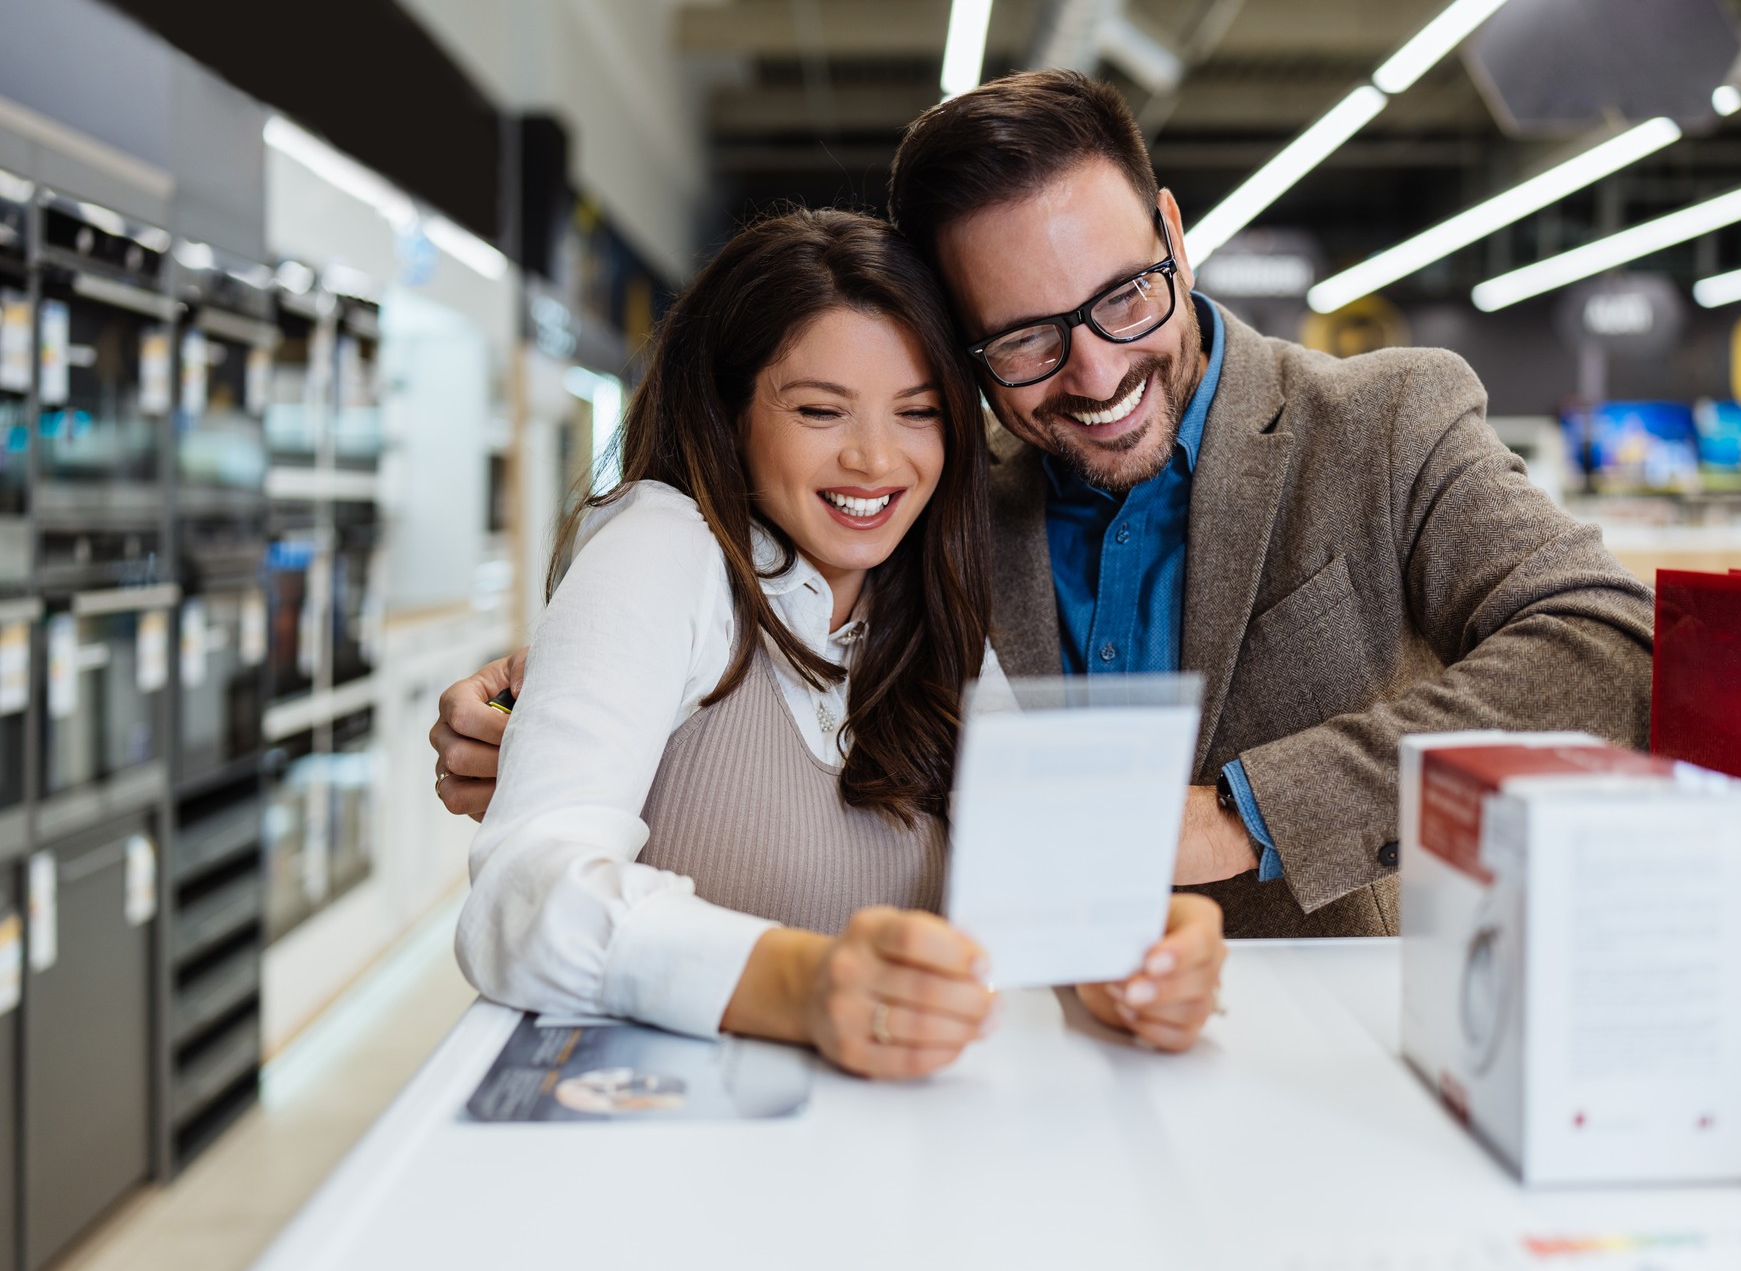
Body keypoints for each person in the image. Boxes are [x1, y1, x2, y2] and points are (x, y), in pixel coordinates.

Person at [436, 72, 1653, 939]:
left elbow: (1612, 643)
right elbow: (794, 666)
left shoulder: (1382, 422)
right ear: (960, 347)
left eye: (1127, 295)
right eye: (1022, 338)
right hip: (1022, 1053)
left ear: (1173, 231)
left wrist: (1243, 812)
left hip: (1316, 1042)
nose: (1097, 372)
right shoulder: (945, 506)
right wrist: (568, 704)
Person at [455, 208, 1225, 1080]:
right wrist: (808, 983)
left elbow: (1039, 880)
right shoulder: (665, 545)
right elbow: (522, 896)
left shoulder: (934, 610)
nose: (875, 460)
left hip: (883, 1157)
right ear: (730, 410)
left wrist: (1134, 950)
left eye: (918, 413)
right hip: (671, 1154)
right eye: (821, 410)